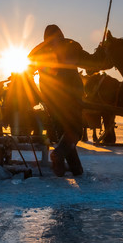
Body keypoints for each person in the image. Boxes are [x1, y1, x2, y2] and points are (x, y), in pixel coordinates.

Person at [28, 24, 91, 177]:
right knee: (75, 131)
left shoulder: (38, 51)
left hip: (51, 100)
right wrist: (103, 52)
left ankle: (76, 169)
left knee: (64, 132)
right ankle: (58, 154)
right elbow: (92, 62)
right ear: (60, 34)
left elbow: (29, 71)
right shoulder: (69, 46)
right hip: (70, 97)